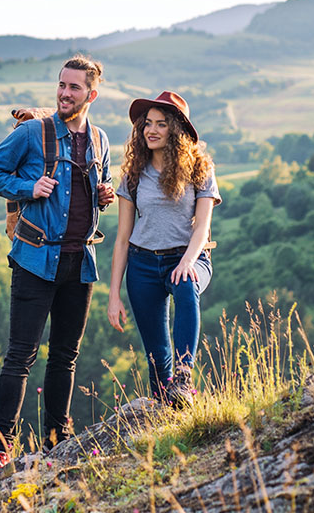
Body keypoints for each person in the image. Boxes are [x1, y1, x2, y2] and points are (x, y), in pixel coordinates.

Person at [0, 55, 115, 471]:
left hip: (80, 263)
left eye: (74, 88)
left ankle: (58, 443)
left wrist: (103, 197)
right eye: (61, 85)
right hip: (35, 260)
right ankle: (0, 453)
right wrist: (28, 186)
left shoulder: (101, 140)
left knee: (65, 358)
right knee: (20, 357)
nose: (64, 93)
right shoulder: (33, 133)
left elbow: (97, 185)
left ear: (91, 94)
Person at [107, 91, 220, 407]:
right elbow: (122, 238)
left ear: (176, 130)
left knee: (186, 285)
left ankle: (184, 378)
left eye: (160, 124)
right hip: (142, 264)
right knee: (157, 359)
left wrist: (187, 261)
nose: (151, 130)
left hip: (188, 257)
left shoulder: (200, 169)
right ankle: (166, 408)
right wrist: (114, 295)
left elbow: (201, 227)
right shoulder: (133, 174)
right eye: (147, 124)